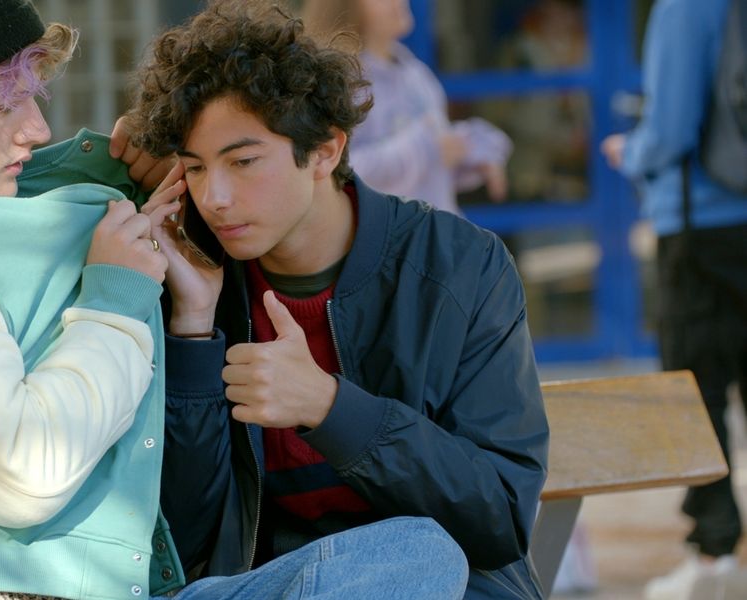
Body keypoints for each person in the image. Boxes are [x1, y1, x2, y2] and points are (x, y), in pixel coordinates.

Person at [0, 1, 469, 598]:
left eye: (32, 98)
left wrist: (132, 157)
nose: (35, 129)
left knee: (418, 554)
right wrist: (112, 301)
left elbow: (73, 174)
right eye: (5, 104)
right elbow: (26, 474)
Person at [116, 1, 549, 598]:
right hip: (268, 585)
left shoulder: (457, 267)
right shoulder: (186, 273)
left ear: (324, 150)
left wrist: (330, 407)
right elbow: (184, 551)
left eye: (243, 162)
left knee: (417, 555)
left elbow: (497, 518)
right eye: (195, 169)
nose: (215, 198)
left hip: (440, 584)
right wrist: (193, 329)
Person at [601, 0, 747, 598]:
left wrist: (630, 152)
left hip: (702, 224)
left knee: (694, 392)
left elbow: (671, 130)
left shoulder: (688, 6)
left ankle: (714, 552)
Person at [302, 0, 511, 215]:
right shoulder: (338, 84)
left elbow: (435, 162)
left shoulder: (416, 73)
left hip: (432, 230)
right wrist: (426, 149)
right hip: (383, 233)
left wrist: (473, 150)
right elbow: (336, 172)